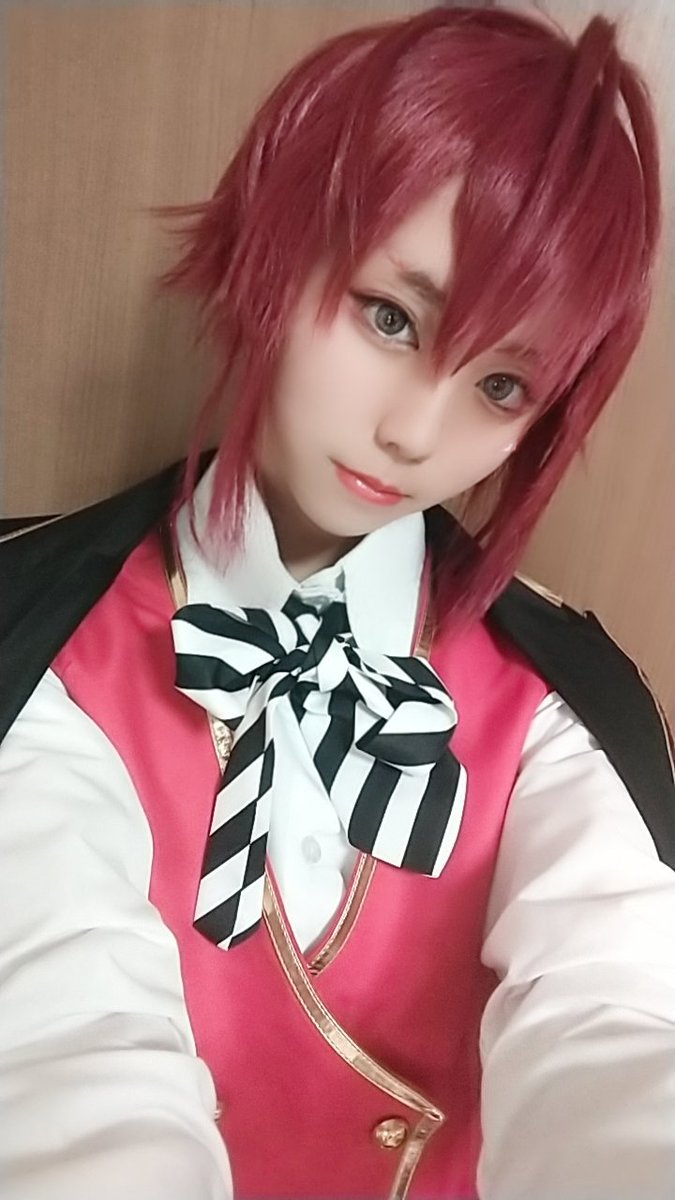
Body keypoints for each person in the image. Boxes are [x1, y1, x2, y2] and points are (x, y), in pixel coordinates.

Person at [1, 5, 675, 1199]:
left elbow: (615, 1026)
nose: (414, 432)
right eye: (391, 317)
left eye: (502, 385)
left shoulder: (557, 715)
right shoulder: (46, 661)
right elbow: (62, 1044)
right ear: (283, 239)